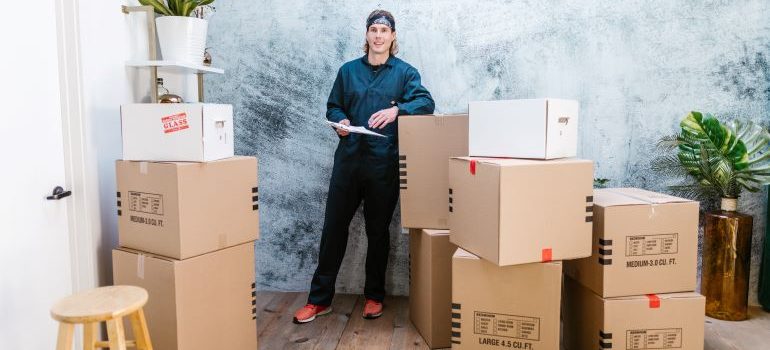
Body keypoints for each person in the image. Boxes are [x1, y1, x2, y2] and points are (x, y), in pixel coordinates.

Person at [293, 9, 435, 324]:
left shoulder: (405, 73)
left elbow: (426, 102)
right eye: (374, 30)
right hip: (348, 162)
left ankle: (374, 296)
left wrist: (398, 110)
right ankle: (319, 301)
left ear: (393, 36)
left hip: (383, 165)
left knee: (378, 232)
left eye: (385, 30)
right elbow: (334, 105)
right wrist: (340, 121)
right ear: (367, 35)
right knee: (333, 230)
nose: (379, 36)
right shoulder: (347, 72)